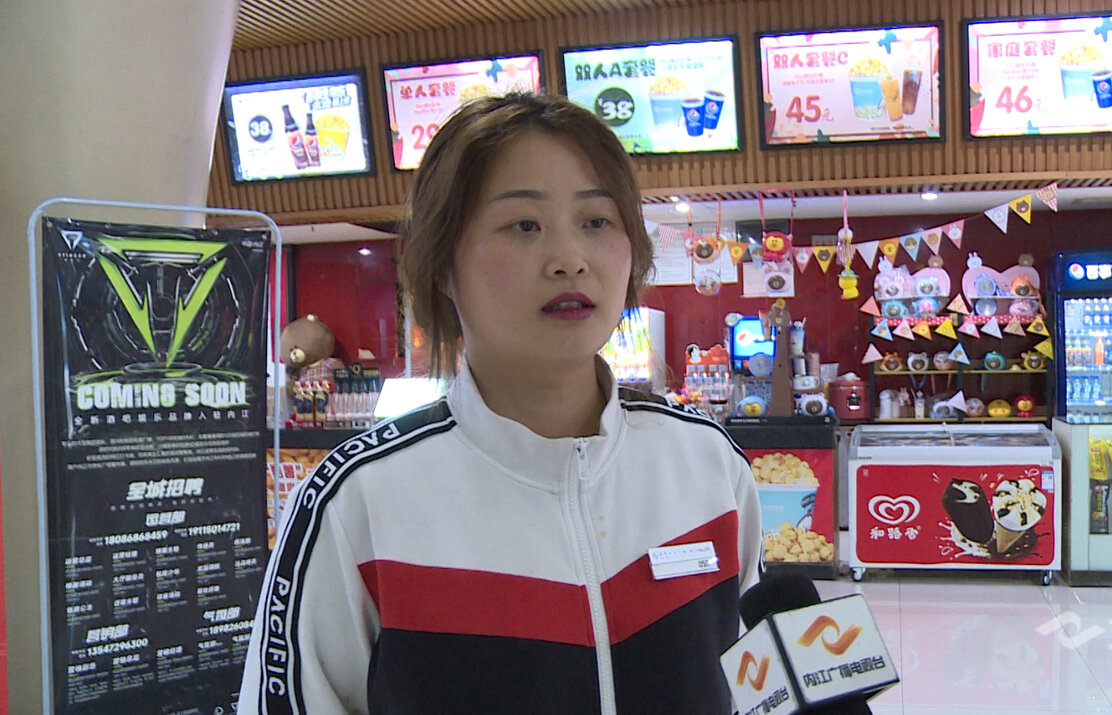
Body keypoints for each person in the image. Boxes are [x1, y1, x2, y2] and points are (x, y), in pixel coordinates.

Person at [238, 92, 762, 714]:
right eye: (524, 225)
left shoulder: (705, 464)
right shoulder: (357, 505)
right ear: (443, 264)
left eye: (598, 221)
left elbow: (754, 687)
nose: (570, 260)